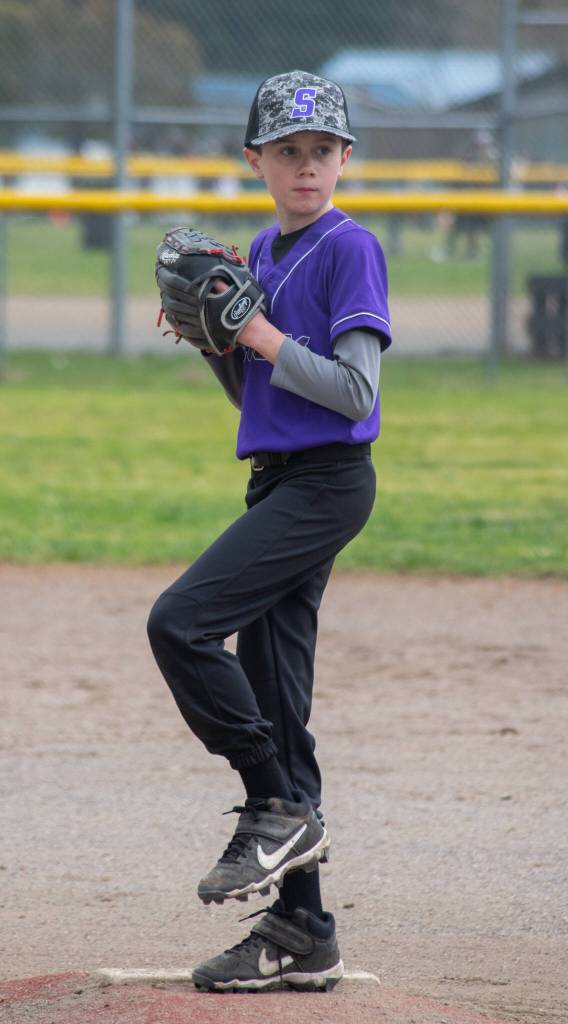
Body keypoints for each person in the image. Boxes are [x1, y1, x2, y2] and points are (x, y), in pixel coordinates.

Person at [146, 69, 392, 993]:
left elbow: (354, 394)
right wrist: (219, 342)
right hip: (278, 480)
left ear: (343, 160)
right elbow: (259, 395)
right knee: (278, 700)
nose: (305, 166)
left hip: (327, 484)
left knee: (180, 621)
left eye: (322, 150)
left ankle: (273, 803)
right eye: (286, 151)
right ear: (255, 160)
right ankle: (304, 929)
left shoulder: (347, 247)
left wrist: (253, 335)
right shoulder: (261, 246)